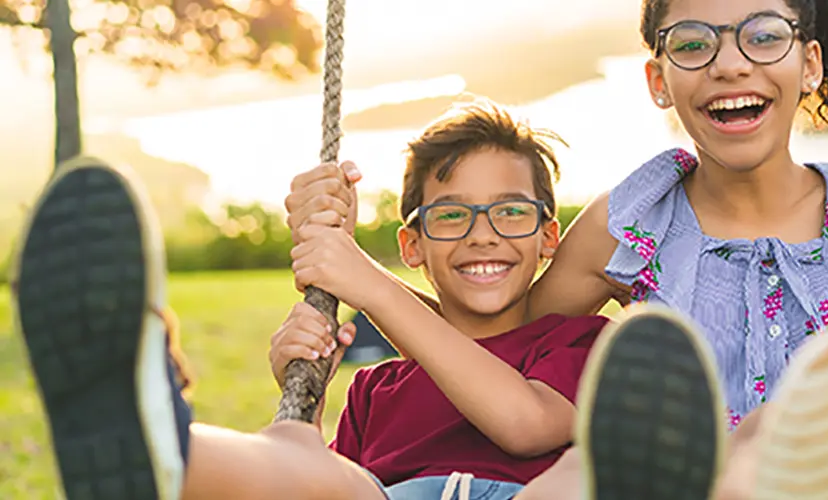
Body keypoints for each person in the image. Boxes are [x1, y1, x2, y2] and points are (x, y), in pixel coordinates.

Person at [282, 0, 828, 497]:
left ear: (809, 63)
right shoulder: (634, 222)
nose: (730, 63)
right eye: (693, 43)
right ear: (658, 79)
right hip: (684, 488)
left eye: (764, 34)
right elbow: (500, 347)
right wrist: (350, 271)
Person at [11, 103, 706, 500]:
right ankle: (162, 446)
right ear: (412, 246)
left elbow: (523, 425)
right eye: (451, 217)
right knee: (304, 458)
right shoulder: (376, 387)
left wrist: (361, 281)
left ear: (550, 236)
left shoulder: (571, 342)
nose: (482, 235)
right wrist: (301, 397)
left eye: (511, 214)